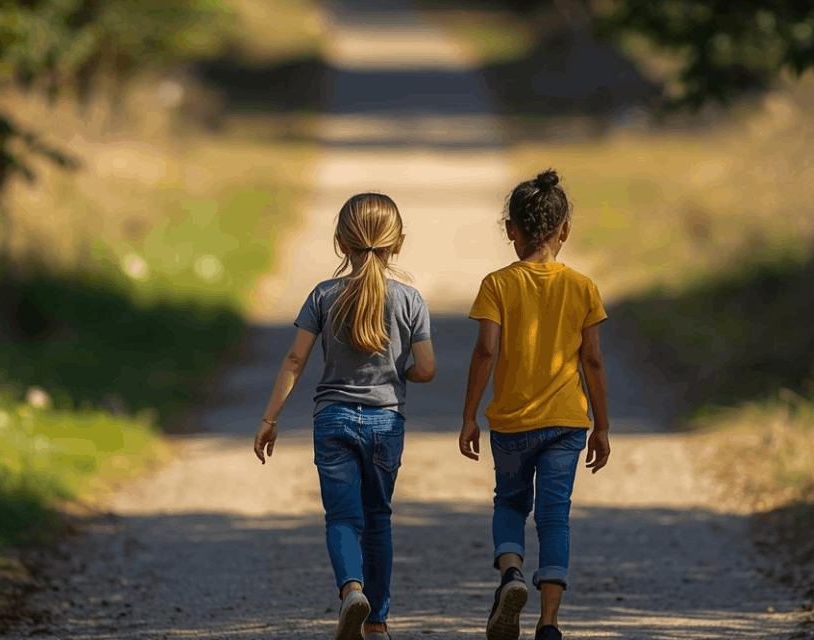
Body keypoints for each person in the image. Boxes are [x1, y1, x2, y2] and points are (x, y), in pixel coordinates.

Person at [255, 193, 437, 640]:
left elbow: (295, 360)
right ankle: (376, 623)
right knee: (378, 520)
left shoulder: (323, 295)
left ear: (340, 242)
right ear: (398, 243)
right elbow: (427, 368)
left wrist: (270, 419)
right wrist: (400, 373)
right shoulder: (410, 299)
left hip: (332, 420)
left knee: (341, 518)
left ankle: (352, 590)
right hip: (386, 423)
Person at [458, 169, 612, 640]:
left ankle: (511, 574)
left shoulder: (497, 284)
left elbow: (486, 351)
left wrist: (469, 416)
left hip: (511, 422)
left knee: (509, 503)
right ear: (565, 230)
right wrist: (602, 426)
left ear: (511, 229)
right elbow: (593, 360)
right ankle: (549, 623)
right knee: (554, 516)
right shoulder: (583, 287)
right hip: (566, 423)